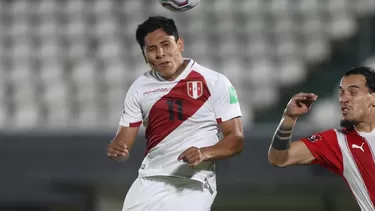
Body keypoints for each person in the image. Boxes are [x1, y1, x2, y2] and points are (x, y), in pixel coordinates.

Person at [106, 16, 244, 211]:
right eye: (152, 49)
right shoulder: (139, 88)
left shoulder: (215, 82)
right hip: (149, 181)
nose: (160, 53)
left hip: (193, 183)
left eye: (165, 44)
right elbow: (123, 145)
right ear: (145, 56)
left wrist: (204, 153)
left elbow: (236, 140)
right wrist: (117, 151)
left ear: (180, 44)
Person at [268, 66, 375, 210]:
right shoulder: (336, 141)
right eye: (341, 93)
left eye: (353, 92)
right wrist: (289, 118)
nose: (344, 99)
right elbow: (279, 158)